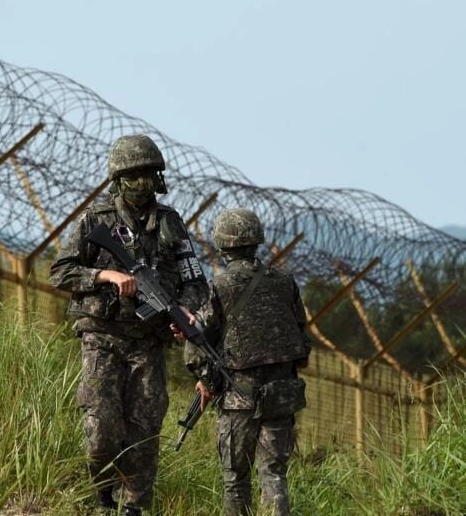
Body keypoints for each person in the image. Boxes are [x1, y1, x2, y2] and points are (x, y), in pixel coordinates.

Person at [49, 134, 208, 515]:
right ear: (118, 179)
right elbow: (61, 272)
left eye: (148, 174)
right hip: (103, 338)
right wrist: (106, 275)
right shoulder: (96, 219)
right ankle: (102, 497)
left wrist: (184, 311)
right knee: (102, 429)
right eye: (133, 175)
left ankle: (134, 507)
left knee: (145, 431)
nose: (141, 183)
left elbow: (195, 281)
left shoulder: (170, 223)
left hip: (149, 344)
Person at [179, 208, 311, 516]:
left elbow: (198, 338)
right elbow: (302, 337)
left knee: (236, 480)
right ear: (257, 241)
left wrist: (206, 379)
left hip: (239, 398)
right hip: (281, 393)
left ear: (222, 245)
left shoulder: (221, 287)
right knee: (274, 474)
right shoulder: (285, 282)